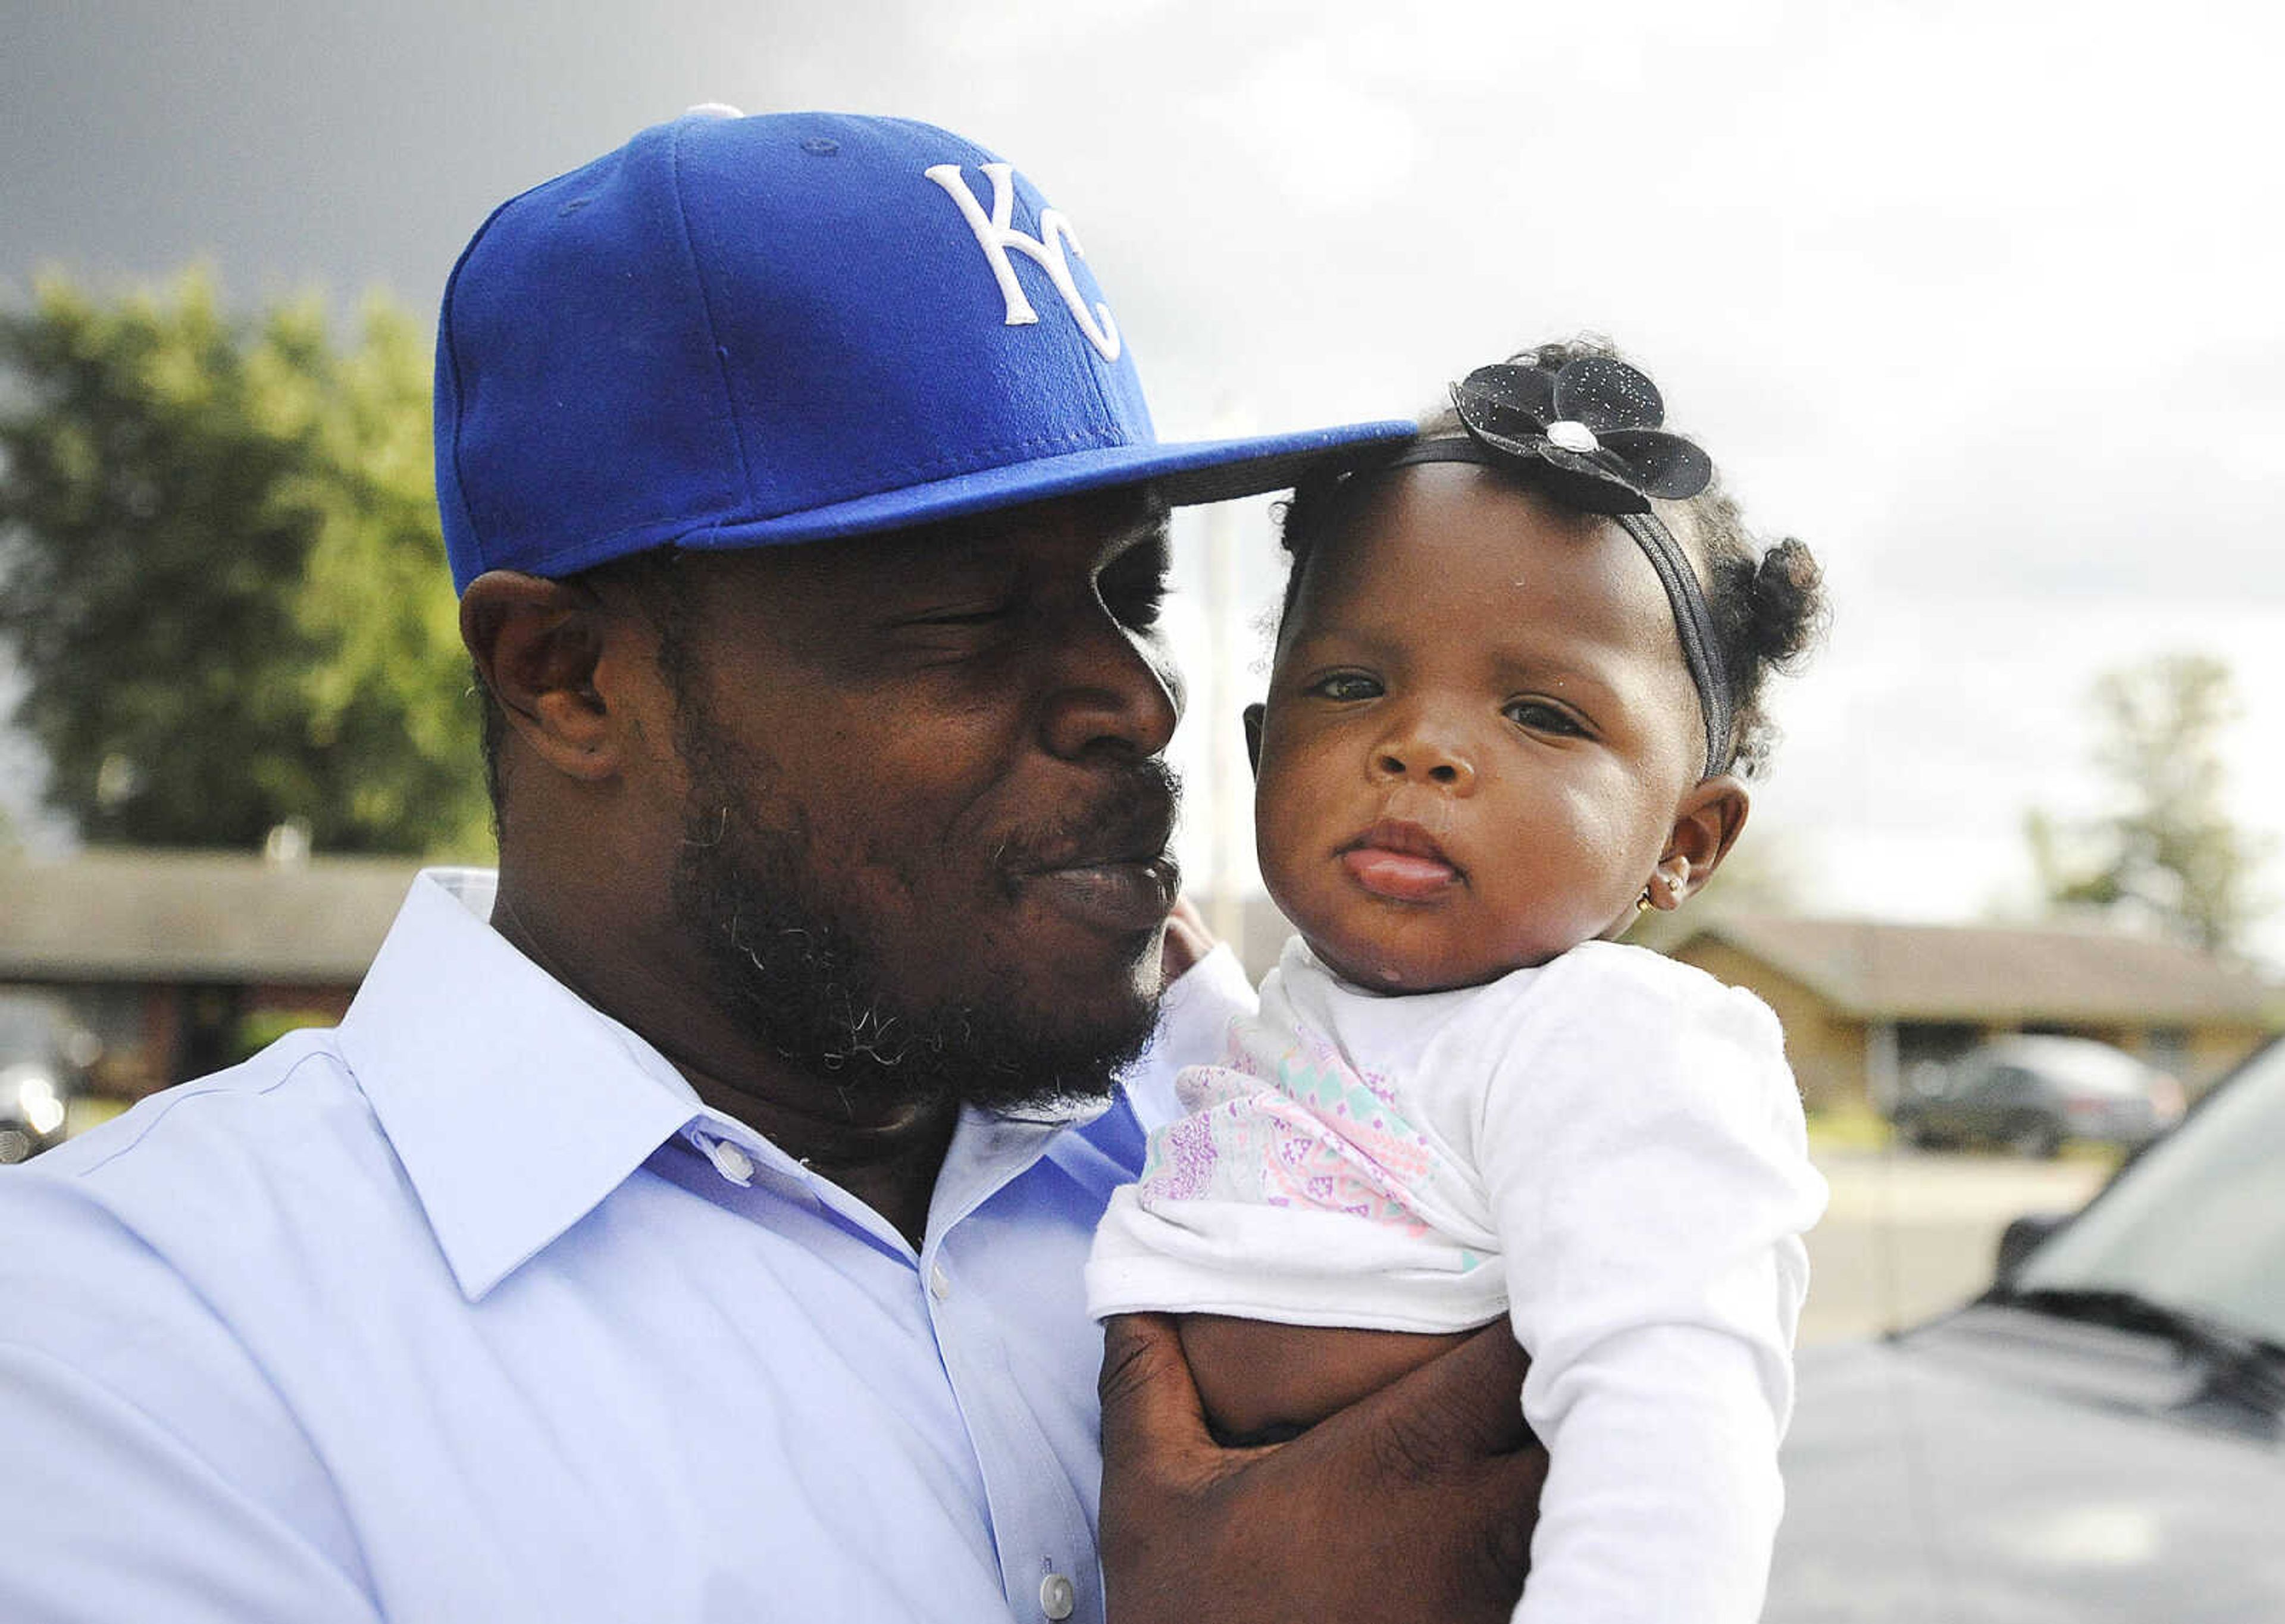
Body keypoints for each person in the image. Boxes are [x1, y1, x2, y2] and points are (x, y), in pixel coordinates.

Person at [0, 110, 1547, 1623]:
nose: (1140, 699)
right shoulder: (131, 1343)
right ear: (569, 674)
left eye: (1128, 585)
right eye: (964, 613)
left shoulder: (1269, 1166)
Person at [1087, 342, 1833, 1622]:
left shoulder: (1617, 1046)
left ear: (1685, 842)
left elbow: (1673, 1438)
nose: (1420, 747)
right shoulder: (1298, 1013)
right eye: (1350, 685)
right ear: (1265, 754)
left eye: (1543, 715)